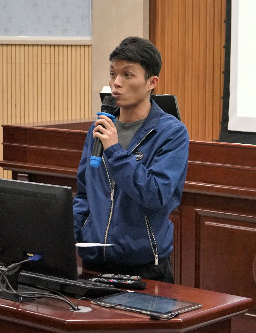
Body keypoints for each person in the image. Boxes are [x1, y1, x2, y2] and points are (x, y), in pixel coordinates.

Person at [73, 36, 189, 283]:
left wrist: (115, 151)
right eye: (112, 74)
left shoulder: (171, 133)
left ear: (151, 82)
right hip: (94, 263)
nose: (116, 83)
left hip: (144, 268)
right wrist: (69, 234)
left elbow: (155, 194)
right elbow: (84, 194)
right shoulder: (99, 128)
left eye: (127, 75)